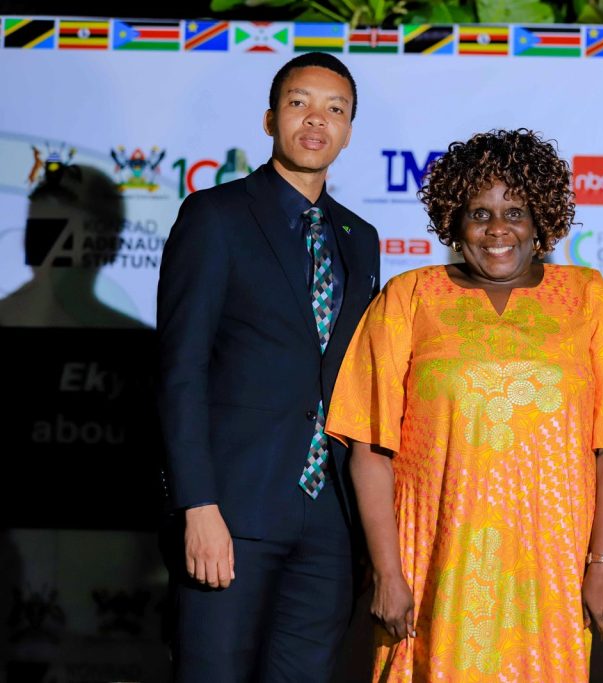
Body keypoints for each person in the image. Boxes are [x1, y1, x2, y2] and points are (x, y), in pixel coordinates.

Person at [325, 129, 603, 682]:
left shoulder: (587, 296)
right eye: (479, 212)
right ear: (453, 221)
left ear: (541, 221)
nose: (498, 229)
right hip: (436, 565)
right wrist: (388, 572)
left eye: (515, 211)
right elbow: (370, 449)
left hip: (554, 569)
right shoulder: (409, 296)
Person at [157, 52, 380, 682]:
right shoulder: (215, 217)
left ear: (349, 129)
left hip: (330, 524)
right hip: (232, 512)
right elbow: (181, 371)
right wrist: (198, 505)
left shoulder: (359, 238)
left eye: (335, 109)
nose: (317, 120)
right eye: (300, 103)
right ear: (269, 118)